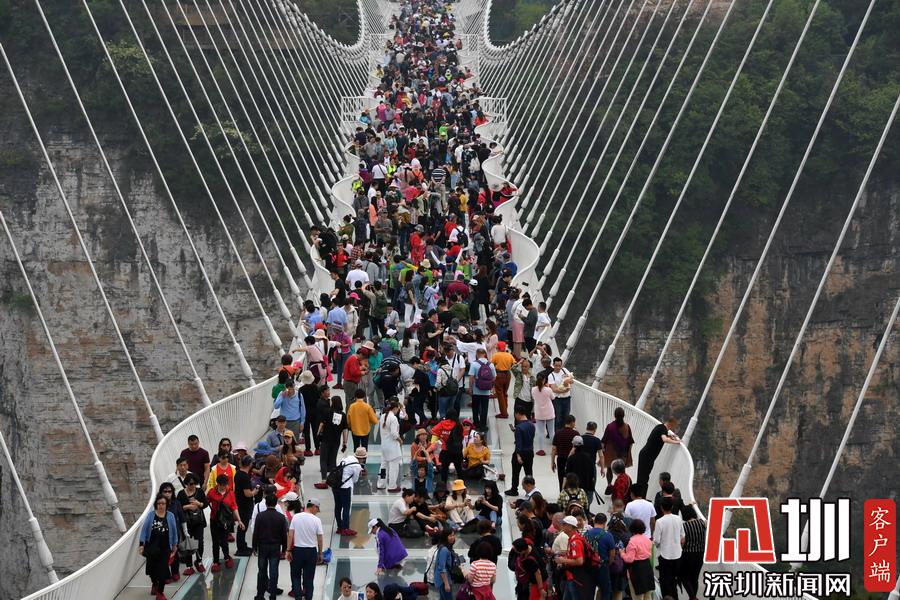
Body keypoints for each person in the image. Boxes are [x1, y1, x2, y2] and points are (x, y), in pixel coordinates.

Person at [140, 494, 178, 600]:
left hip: (165, 548)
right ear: (156, 504)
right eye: (159, 503)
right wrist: (141, 545)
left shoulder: (170, 516)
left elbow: (174, 531)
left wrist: (175, 545)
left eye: (163, 503)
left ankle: (160, 592)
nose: (161, 505)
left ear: (166, 505)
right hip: (151, 547)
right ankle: (154, 584)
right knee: (152, 569)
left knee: (162, 571)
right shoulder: (151, 515)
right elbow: (144, 530)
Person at [287, 498, 325, 600]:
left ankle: (298, 597)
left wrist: (288, 550)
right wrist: (320, 553)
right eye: (317, 509)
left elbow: (290, 535)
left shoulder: (296, 517)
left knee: (295, 576)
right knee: (309, 578)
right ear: (314, 507)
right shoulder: (316, 520)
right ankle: (308, 597)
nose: (317, 512)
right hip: (311, 552)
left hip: (297, 551)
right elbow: (320, 538)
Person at [252, 494, 288, 600]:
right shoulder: (281, 517)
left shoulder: (260, 516)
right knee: (274, 571)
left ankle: (260, 594)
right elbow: (284, 535)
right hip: (275, 547)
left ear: (266, 503)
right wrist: (284, 549)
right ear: (276, 503)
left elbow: (256, 532)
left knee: (262, 571)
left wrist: (254, 546)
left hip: (263, 546)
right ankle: (272, 595)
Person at [207, 473, 245, 572]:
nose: (224, 487)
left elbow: (234, 506)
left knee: (224, 540)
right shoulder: (211, 492)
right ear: (218, 484)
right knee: (215, 541)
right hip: (214, 520)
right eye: (222, 485)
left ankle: (227, 557)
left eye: (225, 484)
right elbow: (206, 502)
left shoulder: (230, 493)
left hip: (225, 520)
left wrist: (239, 520)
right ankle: (216, 561)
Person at [554, 515, 595, 600]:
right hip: (572, 576)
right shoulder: (573, 538)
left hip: (576, 578)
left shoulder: (575, 541)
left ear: (570, 527)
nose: (562, 526)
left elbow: (579, 561)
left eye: (564, 524)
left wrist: (563, 560)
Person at [315, 390, 349, 490]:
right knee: (333, 459)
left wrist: (318, 434)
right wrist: (345, 442)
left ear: (333, 403)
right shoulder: (343, 415)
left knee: (323, 459)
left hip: (326, 439)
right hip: (336, 440)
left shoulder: (327, 412)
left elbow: (322, 424)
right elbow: (345, 430)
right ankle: (333, 479)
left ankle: (324, 479)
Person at [635, 417, 680, 488]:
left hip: (646, 455)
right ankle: (640, 493)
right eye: (673, 426)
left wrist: (669, 436)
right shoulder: (663, 429)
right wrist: (676, 442)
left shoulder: (660, 427)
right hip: (647, 457)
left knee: (642, 478)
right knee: (643, 479)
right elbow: (664, 439)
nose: (673, 429)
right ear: (671, 424)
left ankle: (639, 493)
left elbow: (661, 437)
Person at [176, 474, 207, 575]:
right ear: (186, 484)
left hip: (198, 521)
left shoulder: (200, 491)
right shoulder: (181, 494)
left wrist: (198, 504)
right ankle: (189, 566)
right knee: (188, 543)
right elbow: (178, 508)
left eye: (194, 483)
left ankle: (199, 561)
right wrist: (188, 506)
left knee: (200, 542)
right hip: (186, 522)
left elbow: (205, 504)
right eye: (190, 484)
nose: (192, 485)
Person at [654, 496, 684, 599]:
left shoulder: (660, 521)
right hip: (677, 554)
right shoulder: (678, 519)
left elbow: (656, 540)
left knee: (665, 580)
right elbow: (682, 536)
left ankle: (667, 597)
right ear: (672, 507)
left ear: (661, 508)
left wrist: (659, 546)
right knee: (673, 580)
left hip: (664, 554)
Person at [333, 447, 366, 536]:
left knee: (338, 506)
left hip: (335, 485)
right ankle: (345, 528)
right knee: (346, 508)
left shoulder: (346, 459)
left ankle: (339, 527)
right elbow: (355, 480)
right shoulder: (357, 466)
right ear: (362, 458)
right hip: (345, 487)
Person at [584, 514, 617, 600]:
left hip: (589, 566)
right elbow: (612, 554)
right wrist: (609, 563)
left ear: (594, 521)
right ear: (605, 522)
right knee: (605, 591)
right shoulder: (608, 535)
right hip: (602, 566)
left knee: (589, 591)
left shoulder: (586, 534)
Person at [677, 505, 706, 600]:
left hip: (688, 555)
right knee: (694, 578)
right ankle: (693, 597)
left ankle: (693, 597)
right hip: (700, 554)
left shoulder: (684, 527)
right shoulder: (702, 523)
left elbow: (682, 542)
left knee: (684, 577)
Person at [620, 520, 653, 600]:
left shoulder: (632, 541)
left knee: (637, 596)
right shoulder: (647, 539)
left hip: (636, 570)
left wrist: (622, 553)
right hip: (647, 567)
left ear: (632, 529)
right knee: (647, 595)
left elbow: (629, 559)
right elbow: (650, 555)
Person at [600, 408, 634, 485]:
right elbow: (630, 441)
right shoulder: (627, 427)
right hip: (622, 454)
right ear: (624, 415)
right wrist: (628, 454)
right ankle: (622, 485)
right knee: (622, 471)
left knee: (609, 469)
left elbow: (604, 441)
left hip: (610, 454)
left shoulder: (610, 426)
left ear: (614, 415)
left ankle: (609, 485)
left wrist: (603, 452)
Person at [506, 406, 535, 496]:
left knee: (516, 472)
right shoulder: (532, 425)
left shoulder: (519, 427)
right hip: (530, 451)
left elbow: (519, 443)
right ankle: (531, 490)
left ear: (518, 414)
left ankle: (514, 489)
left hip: (521, 452)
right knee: (529, 472)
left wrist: (518, 455)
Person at [234, 455, 258, 556]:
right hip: (244, 505)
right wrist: (255, 491)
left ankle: (242, 545)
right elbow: (247, 493)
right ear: (249, 464)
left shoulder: (238, 473)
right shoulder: (244, 477)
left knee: (242, 527)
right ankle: (241, 549)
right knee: (243, 526)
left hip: (240, 503)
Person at [468, 348, 496, 430]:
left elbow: (471, 377)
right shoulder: (490, 364)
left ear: (477, 354)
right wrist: (490, 385)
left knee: (475, 407)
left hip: (476, 390)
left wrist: (470, 388)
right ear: (485, 354)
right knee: (484, 408)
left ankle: (476, 424)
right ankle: (483, 425)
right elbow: (494, 377)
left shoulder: (474, 364)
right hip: (486, 391)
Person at [565, 436, 596, 509]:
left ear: (573, 445)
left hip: (574, 487)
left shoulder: (571, 458)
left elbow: (567, 474)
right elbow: (592, 473)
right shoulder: (589, 458)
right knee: (585, 507)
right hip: (586, 486)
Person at [380, 400, 404, 492]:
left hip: (384, 445)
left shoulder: (382, 416)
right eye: (398, 409)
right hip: (392, 446)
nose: (398, 411)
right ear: (395, 408)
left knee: (383, 466)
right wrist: (400, 440)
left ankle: (381, 484)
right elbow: (394, 434)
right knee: (394, 467)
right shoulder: (393, 418)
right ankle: (392, 486)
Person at [550, 415, 579, 490]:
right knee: (572, 478)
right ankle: (572, 493)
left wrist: (552, 462)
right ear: (572, 422)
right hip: (572, 460)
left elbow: (554, 448)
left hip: (561, 459)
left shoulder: (558, 433)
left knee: (561, 478)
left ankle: (562, 493)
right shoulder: (575, 434)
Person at [546, 358, 573, 433]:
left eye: (559, 365)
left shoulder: (564, 370)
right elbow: (554, 389)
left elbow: (572, 380)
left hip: (567, 398)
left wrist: (568, 381)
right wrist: (564, 390)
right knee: (557, 418)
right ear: (553, 365)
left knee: (566, 417)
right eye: (556, 365)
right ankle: (556, 434)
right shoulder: (551, 376)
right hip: (557, 399)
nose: (558, 367)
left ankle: (564, 434)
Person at [531, 373, 555, 456]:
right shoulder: (548, 390)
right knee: (551, 432)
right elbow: (553, 397)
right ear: (544, 380)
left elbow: (534, 397)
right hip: (549, 412)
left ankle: (541, 450)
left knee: (541, 432)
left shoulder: (533, 389)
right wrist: (547, 387)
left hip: (539, 412)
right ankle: (555, 449)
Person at [433, 529, 459, 600]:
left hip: (445, 579)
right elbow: (442, 568)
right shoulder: (444, 549)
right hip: (444, 580)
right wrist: (446, 584)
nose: (453, 537)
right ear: (445, 537)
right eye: (450, 536)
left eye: (453, 535)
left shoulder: (446, 547)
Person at [491, 340, 515, 418]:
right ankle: (505, 410)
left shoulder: (496, 355)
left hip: (499, 375)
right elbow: (514, 363)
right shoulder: (509, 355)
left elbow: (491, 365)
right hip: (508, 374)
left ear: (498, 347)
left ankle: (504, 413)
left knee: (500, 394)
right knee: (505, 393)